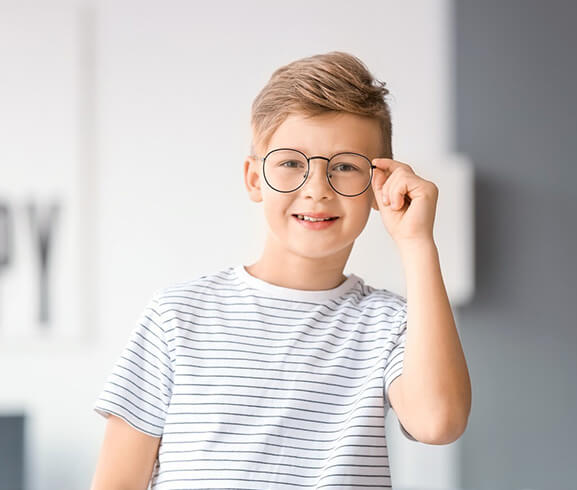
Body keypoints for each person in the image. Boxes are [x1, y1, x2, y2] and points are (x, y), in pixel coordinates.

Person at [90, 50, 471, 489]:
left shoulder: (391, 325)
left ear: (378, 184)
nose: (316, 190)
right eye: (291, 163)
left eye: (345, 167)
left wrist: (416, 242)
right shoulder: (177, 315)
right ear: (254, 178)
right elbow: (115, 482)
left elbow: (438, 422)